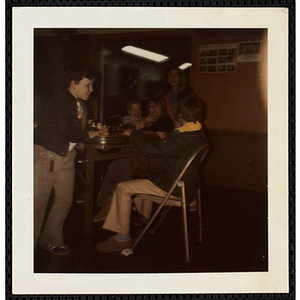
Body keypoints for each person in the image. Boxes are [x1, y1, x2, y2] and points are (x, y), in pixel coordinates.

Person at [96, 95, 207, 253]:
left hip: (174, 185)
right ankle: (141, 230)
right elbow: (181, 148)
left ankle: (122, 239)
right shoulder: (199, 133)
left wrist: (133, 133)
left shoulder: (180, 137)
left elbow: (149, 150)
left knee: (123, 188)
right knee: (142, 186)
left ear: (180, 115)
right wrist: (168, 139)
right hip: (191, 185)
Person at [34, 64, 108, 255]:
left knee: (65, 201)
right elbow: (64, 127)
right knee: (37, 204)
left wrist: (94, 131)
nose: (91, 89)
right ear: (73, 84)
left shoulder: (78, 103)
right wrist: (87, 135)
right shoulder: (59, 100)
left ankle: (50, 239)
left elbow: (78, 126)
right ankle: (26, 246)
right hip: (49, 154)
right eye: (88, 85)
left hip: (66, 156)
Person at [93, 97, 174, 222]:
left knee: (123, 158)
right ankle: (109, 206)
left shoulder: (165, 121)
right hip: (144, 156)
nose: (153, 109)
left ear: (162, 108)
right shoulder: (145, 121)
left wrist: (140, 126)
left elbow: (150, 140)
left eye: (156, 106)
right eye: (151, 107)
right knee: (120, 162)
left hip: (158, 160)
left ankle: (108, 207)